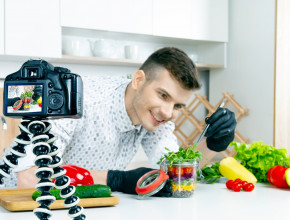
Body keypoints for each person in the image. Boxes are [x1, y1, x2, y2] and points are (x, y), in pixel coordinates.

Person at [3, 47, 237, 196]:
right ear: (138, 80)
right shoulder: (77, 99)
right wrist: (116, 179)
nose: (167, 112)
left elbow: (175, 175)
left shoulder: (157, 118)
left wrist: (212, 145)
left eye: (177, 106)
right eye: (163, 95)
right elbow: (28, 178)